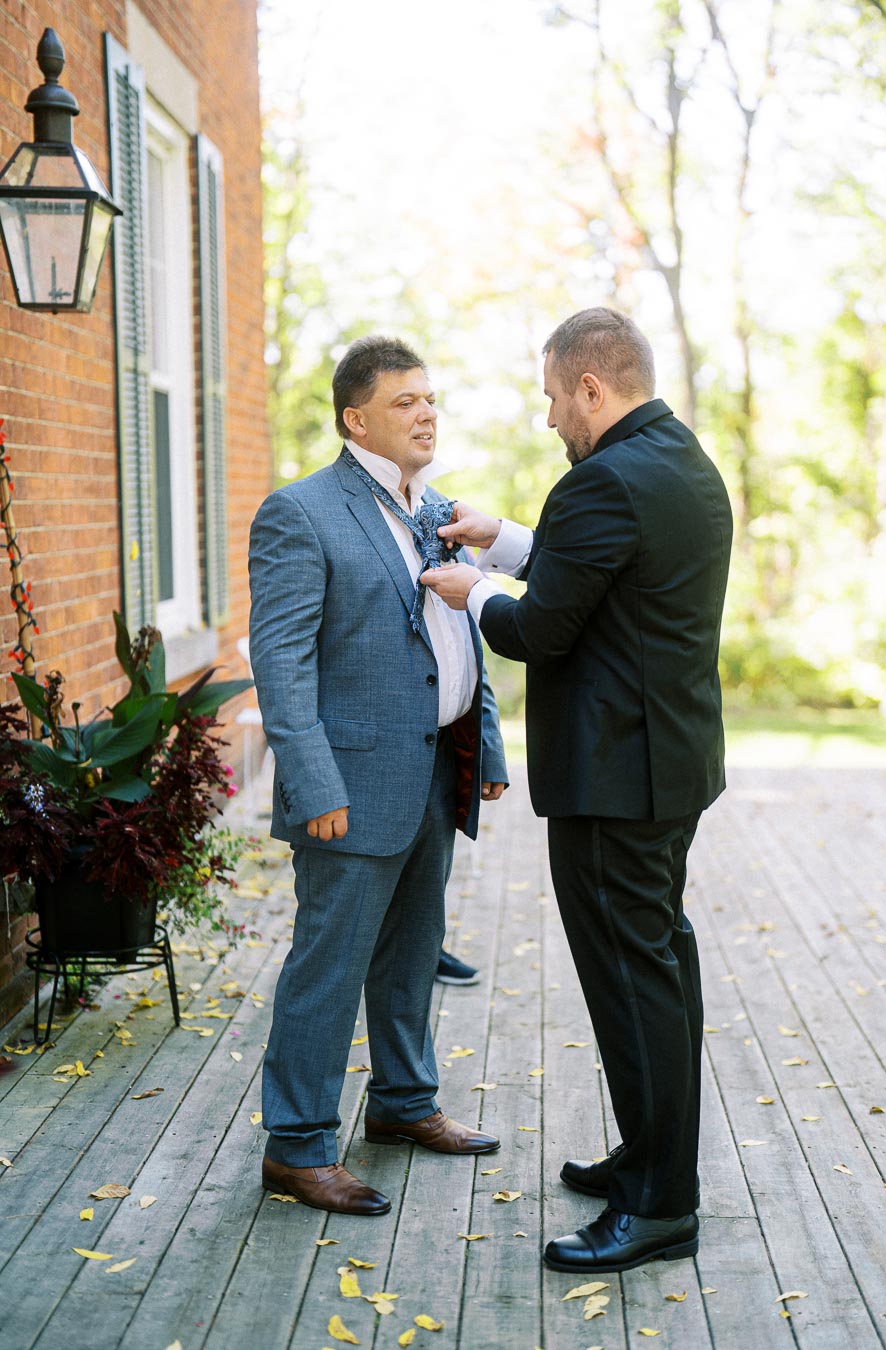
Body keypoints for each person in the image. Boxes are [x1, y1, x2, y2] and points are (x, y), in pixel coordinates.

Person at [422, 306, 733, 1272]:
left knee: (634, 987)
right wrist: (506, 538)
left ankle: (660, 1206)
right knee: (661, 973)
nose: (549, 416)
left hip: (613, 782)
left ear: (592, 388)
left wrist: (474, 589)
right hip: (665, 769)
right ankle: (652, 1157)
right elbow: (602, 572)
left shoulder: (601, 481)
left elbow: (541, 629)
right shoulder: (679, 461)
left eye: (554, 396)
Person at [248, 335, 508, 1217]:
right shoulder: (302, 512)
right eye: (406, 402)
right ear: (357, 417)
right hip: (348, 789)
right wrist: (313, 785)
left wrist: (492, 748)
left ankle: (402, 1106)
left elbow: (458, 634)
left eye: (431, 399)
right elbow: (280, 662)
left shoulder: (438, 508)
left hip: (437, 774)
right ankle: (297, 1146)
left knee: (409, 959)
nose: (428, 413)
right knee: (328, 965)